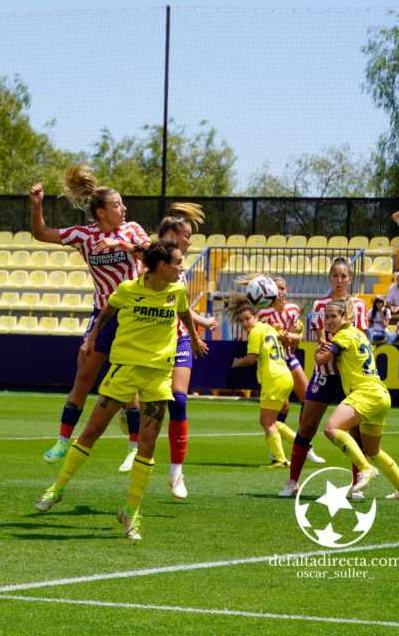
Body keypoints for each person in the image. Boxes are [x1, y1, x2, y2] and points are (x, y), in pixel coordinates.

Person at [33, 239, 208, 540]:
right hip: (124, 371)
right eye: (179, 262)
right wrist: (91, 339)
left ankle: (131, 513)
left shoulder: (176, 291)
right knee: (91, 432)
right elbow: (106, 312)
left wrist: (192, 337)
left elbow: (184, 313)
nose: (183, 268)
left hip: (158, 376)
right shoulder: (127, 290)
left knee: (148, 445)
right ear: (162, 265)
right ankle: (57, 489)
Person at [31, 163, 149, 467]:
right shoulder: (84, 235)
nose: (124, 208)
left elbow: (154, 255)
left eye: (122, 203)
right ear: (101, 212)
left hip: (135, 315)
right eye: (117, 204)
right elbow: (41, 233)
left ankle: (133, 449)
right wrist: (37, 205)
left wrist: (121, 242)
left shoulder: (132, 229)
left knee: (128, 383)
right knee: (83, 376)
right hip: (104, 316)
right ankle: (61, 442)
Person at [279, 257, 368, 499]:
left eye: (343, 276)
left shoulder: (359, 305)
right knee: (307, 426)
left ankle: (358, 483)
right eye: (335, 276)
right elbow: (321, 341)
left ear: (350, 279)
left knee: (355, 432)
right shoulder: (320, 306)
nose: (339, 280)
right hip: (325, 372)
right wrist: (325, 348)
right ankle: (292, 482)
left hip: (350, 376)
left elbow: (362, 339)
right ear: (329, 278)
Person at [150, 203, 219, 498]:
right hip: (150, 341)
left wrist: (197, 326)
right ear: (170, 234)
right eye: (187, 235)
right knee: (148, 406)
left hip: (178, 339)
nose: (191, 241)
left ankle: (176, 473)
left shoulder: (182, 268)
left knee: (178, 401)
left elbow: (181, 308)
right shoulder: (149, 261)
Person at [316, 298, 399, 500]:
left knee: (331, 429)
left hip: (365, 393)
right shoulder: (360, 334)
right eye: (327, 317)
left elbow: (322, 360)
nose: (329, 321)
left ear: (345, 317)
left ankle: (365, 468)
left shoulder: (342, 335)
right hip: (380, 394)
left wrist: (319, 349)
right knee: (373, 450)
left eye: (333, 316)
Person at [256, 275, 326, 466]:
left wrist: (289, 337)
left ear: (287, 291)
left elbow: (296, 338)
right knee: (284, 407)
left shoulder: (293, 309)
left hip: (289, 357)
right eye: (277, 288)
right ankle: (276, 451)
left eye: (283, 288)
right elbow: (261, 338)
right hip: (273, 360)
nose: (280, 291)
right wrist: (277, 333)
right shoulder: (263, 312)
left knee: (307, 397)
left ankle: (305, 445)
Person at [229, 296, 302, 469]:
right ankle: (303, 444)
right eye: (242, 321)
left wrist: (238, 362)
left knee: (267, 422)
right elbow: (293, 339)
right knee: (269, 421)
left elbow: (251, 358)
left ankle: (280, 460)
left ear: (257, 317)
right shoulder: (269, 328)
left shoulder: (256, 331)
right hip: (285, 375)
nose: (245, 323)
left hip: (273, 378)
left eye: (248, 319)